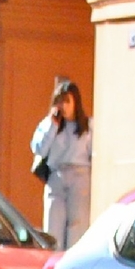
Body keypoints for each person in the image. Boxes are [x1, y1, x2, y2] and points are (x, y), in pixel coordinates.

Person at [31, 78, 92, 248]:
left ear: (75, 102)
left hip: (79, 177)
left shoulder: (87, 126)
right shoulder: (49, 125)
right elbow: (38, 148)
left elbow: (93, 154)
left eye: (67, 101)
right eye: (59, 101)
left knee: (77, 226)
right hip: (56, 176)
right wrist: (52, 126)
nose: (62, 106)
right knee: (52, 227)